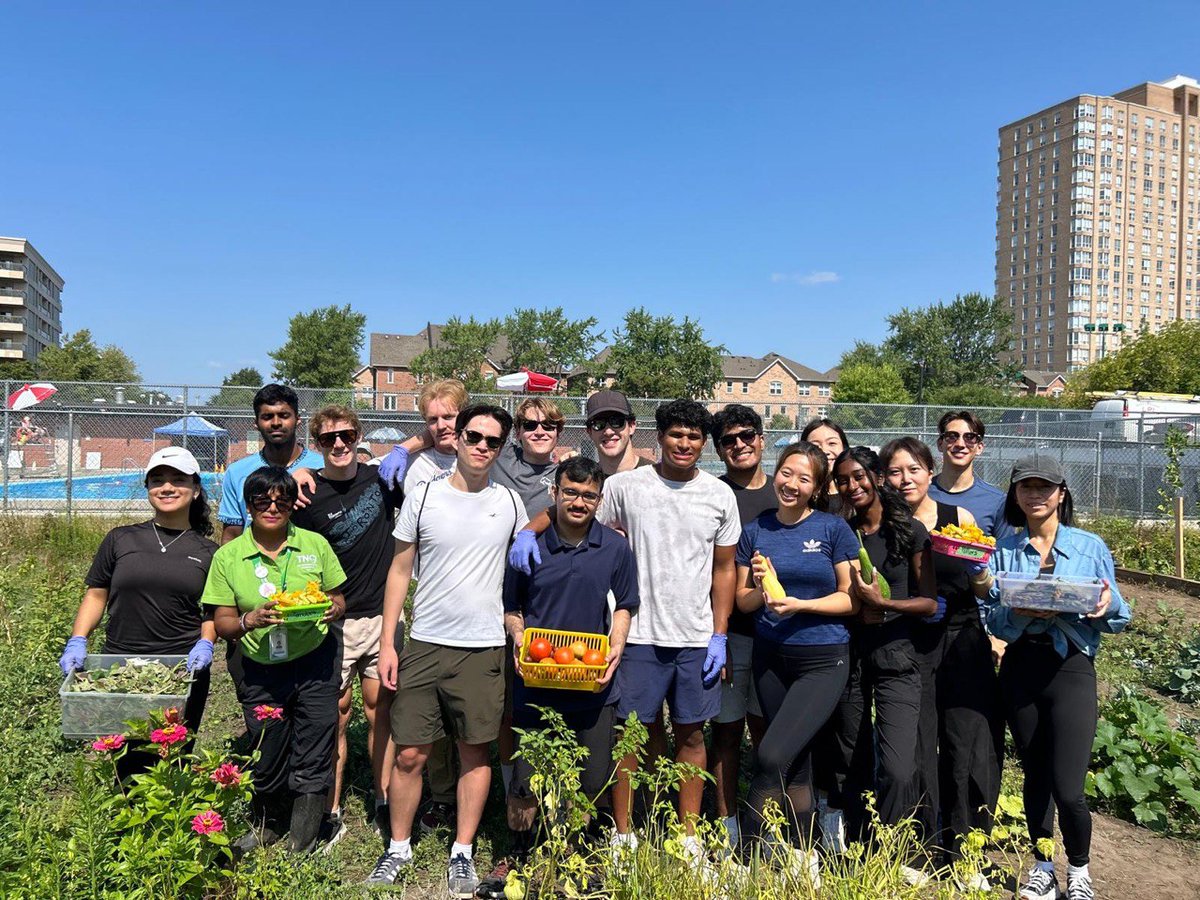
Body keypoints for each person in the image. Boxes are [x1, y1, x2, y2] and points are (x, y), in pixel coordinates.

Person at [369, 405, 529, 895]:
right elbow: (399, 571)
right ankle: (397, 847)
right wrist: (388, 641)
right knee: (411, 754)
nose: (482, 446)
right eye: (474, 436)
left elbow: (539, 535)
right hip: (425, 643)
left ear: (500, 449)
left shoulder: (509, 502)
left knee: (474, 752)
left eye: (493, 441)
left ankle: (462, 851)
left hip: (482, 650)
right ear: (456, 439)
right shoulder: (423, 496)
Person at [972, 452, 1129, 900]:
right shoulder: (1002, 552)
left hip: (1072, 669)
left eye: (1045, 487)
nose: (1035, 494)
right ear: (1015, 495)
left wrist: (1104, 606)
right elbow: (994, 622)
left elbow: (1118, 612)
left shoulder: (1089, 546)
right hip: (1021, 667)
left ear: (1061, 494)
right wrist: (1016, 613)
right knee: (1035, 777)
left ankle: (1079, 870)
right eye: (1026, 487)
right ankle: (1043, 867)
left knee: (1069, 786)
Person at [593, 399, 740, 865]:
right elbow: (596, 542)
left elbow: (724, 570)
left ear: (704, 444)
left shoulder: (719, 495)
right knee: (631, 736)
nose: (684, 443)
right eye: (676, 434)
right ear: (658, 436)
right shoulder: (623, 487)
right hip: (636, 636)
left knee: (692, 737)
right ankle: (624, 835)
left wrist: (719, 633)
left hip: (696, 639)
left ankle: (689, 836)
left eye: (694, 437)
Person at [485, 457, 638, 896]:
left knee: (591, 779)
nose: (579, 501)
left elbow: (626, 603)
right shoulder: (529, 547)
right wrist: (517, 636)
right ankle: (518, 854)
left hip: (592, 681)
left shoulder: (614, 547)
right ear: (554, 493)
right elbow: (511, 608)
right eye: (570, 492)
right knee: (526, 778)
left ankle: (577, 857)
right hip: (536, 679)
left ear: (599, 500)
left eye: (589, 495)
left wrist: (616, 646)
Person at [202, 466, 348, 854]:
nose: (272, 506)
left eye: (281, 500)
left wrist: (333, 609)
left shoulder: (314, 545)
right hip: (260, 666)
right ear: (248, 506)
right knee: (267, 746)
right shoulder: (229, 557)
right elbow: (223, 622)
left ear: (291, 505)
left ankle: (303, 838)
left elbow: (337, 597)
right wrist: (250, 619)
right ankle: (268, 825)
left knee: (315, 743)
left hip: (315, 660)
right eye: (261, 500)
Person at [734, 442, 858, 886]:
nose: (792, 484)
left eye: (804, 478)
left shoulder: (832, 529)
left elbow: (849, 598)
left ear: (817, 487)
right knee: (797, 759)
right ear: (777, 473)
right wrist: (763, 588)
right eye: (788, 473)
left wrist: (799, 604)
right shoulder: (757, 531)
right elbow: (742, 600)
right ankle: (805, 858)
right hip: (771, 658)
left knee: (769, 755)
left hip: (823, 661)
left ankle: (742, 861)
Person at [882, 437, 1001, 887]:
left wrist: (980, 572)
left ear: (930, 472)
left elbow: (985, 589)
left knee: (965, 744)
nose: (905, 479)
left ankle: (966, 850)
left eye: (913, 469)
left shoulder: (959, 519)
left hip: (962, 639)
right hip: (910, 642)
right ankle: (919, 846)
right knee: (916, 745)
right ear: (884, 478)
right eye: (895, 471)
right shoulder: (883, 524)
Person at [59, 447, 218, 776]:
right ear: (147, 488)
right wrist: (78, 638)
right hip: (119, 669)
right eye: (157, 480)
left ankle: (168, 825)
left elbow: (212, 611)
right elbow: (96, 594)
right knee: (126, 762)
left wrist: (206, 643)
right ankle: (126, 826)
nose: (167, 487)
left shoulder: (208, 551)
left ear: (196, 489)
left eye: (178, 479)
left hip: (179, 672)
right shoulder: (121, 539)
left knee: (171, 759)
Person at [290, 405, 405, 847]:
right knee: (335, 716)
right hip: (331, 621)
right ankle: (331, 809)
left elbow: (437, 440)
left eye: (346, 435)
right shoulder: (306, 492)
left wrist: (402, 446)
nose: (338, 444)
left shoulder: (381, 480)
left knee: (381, 711)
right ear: (316, 444)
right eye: (327, 438)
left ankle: (382, 797)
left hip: (380, 616)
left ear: (358, 436)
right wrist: (295, 474)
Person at [831, 446, 937, 878]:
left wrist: (887, 604)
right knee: (851, 756)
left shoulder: (909, 531)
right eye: (842, 480)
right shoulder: (840, 532)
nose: (852, 486)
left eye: (859, 477)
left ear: (876, 477)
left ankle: (896, 848)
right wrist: (860, 609)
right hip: (852, 655)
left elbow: (930, 602)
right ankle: (858, 846)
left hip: (897, 656)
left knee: (896, 764)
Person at [377, 378, 469, 836]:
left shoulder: (485, 452)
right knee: (427, 702)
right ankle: (441, 792)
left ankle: (479, 788)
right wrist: (402, 447)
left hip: (476, 591)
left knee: (466, 705)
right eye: (431, 419)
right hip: (427, 594)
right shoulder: (415, 465)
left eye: (449, 416)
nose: (440, 426)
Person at [708, 404, 775, 850]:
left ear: (762, 438)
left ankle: (767, 824)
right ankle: (726, 824)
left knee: (769, 737)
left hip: (780, 638)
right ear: (719, 449)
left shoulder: (787, 492)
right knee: (727, 734)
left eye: (746, 435)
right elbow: (708, 573)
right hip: (731, 636)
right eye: (728, 440)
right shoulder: (711, 494)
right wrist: (718, 635)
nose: (739, 445)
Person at [218, 384, 324, 544]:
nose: (276, 423)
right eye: (267, 417)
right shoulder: (236, 472)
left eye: (284, 415)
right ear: (256, 422)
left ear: (298, 419)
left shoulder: (322, 466)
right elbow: (232, 534)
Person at [927, 410, 1007, 537]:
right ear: (940, 444)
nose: (960, 444)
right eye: (952, 436)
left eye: (970, 437)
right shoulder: (921, 494)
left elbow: (1003, 554)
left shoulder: (998, 501)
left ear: (980, 447)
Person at [582, 389, 655, 476]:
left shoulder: (656, 477)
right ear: (589, 432)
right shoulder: (585, 483)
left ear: (631, 426)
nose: (608, 432)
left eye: (616, 422)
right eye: (599, 423)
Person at [800, 418, 849, 514]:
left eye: (832, 443)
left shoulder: (855, 491)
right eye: (816, 446)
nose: (824, 451)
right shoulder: (798, 494)